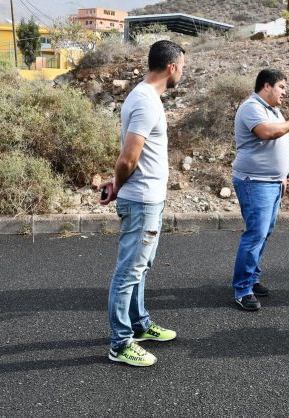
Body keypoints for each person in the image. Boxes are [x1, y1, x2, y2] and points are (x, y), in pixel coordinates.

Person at [99, 40, 185, 367]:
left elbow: (130, 158)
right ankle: (120, 344)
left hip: (149, 199)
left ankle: (139, 324)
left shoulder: (145, 97)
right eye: (182, 67)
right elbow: (129, 157)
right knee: (128, 272)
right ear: (171, 67)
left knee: (141, 268)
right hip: (142, 202)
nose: (182, 73)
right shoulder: (146, 101)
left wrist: (116, 183)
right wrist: (119, 185)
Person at [232, 69, 289, 311]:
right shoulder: (251, 107)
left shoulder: (273, 110)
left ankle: (252, 277)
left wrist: (282, 176)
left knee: (264, 232)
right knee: (255, 234)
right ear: (266, 86)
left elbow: (278, 141)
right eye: (281, 87)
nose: (284, 92)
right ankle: (242, 289)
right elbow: (268, 133)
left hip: (272, 182)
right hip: (254, 182)